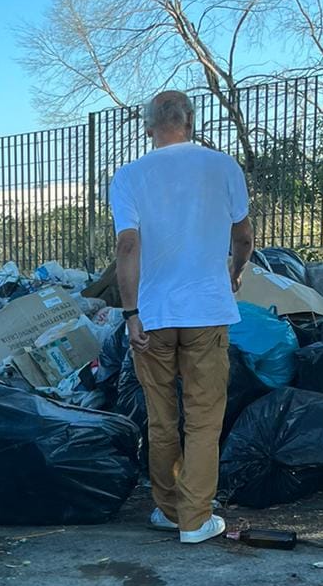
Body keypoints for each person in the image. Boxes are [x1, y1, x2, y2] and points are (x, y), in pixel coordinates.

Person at [108, 90, 255, 544]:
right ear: (189, 120)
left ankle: (169, 510)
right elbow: (244, 237)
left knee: (161, 416)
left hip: (153, 314)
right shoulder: (223, 166)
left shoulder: (129, 176)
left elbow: (127, 247)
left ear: (149, 126)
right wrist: (234, 273)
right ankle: (195, 518)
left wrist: (131, 313)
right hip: (206, 311)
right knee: (204, 417)